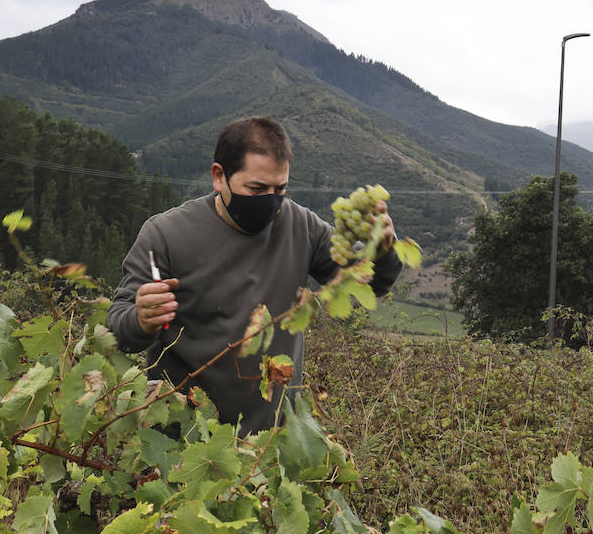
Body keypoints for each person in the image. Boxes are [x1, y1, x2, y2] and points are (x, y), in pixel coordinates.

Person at [108, 116, 403, 433]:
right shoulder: (165, 234)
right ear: (219, 177)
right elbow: (118, 330)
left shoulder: (301, 226)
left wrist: (383, 251)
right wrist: (141, 319)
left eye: (281, 189)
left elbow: (367, 286)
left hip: (269, 447)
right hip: (184, 444)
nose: (272, 202)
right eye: (257, 188)